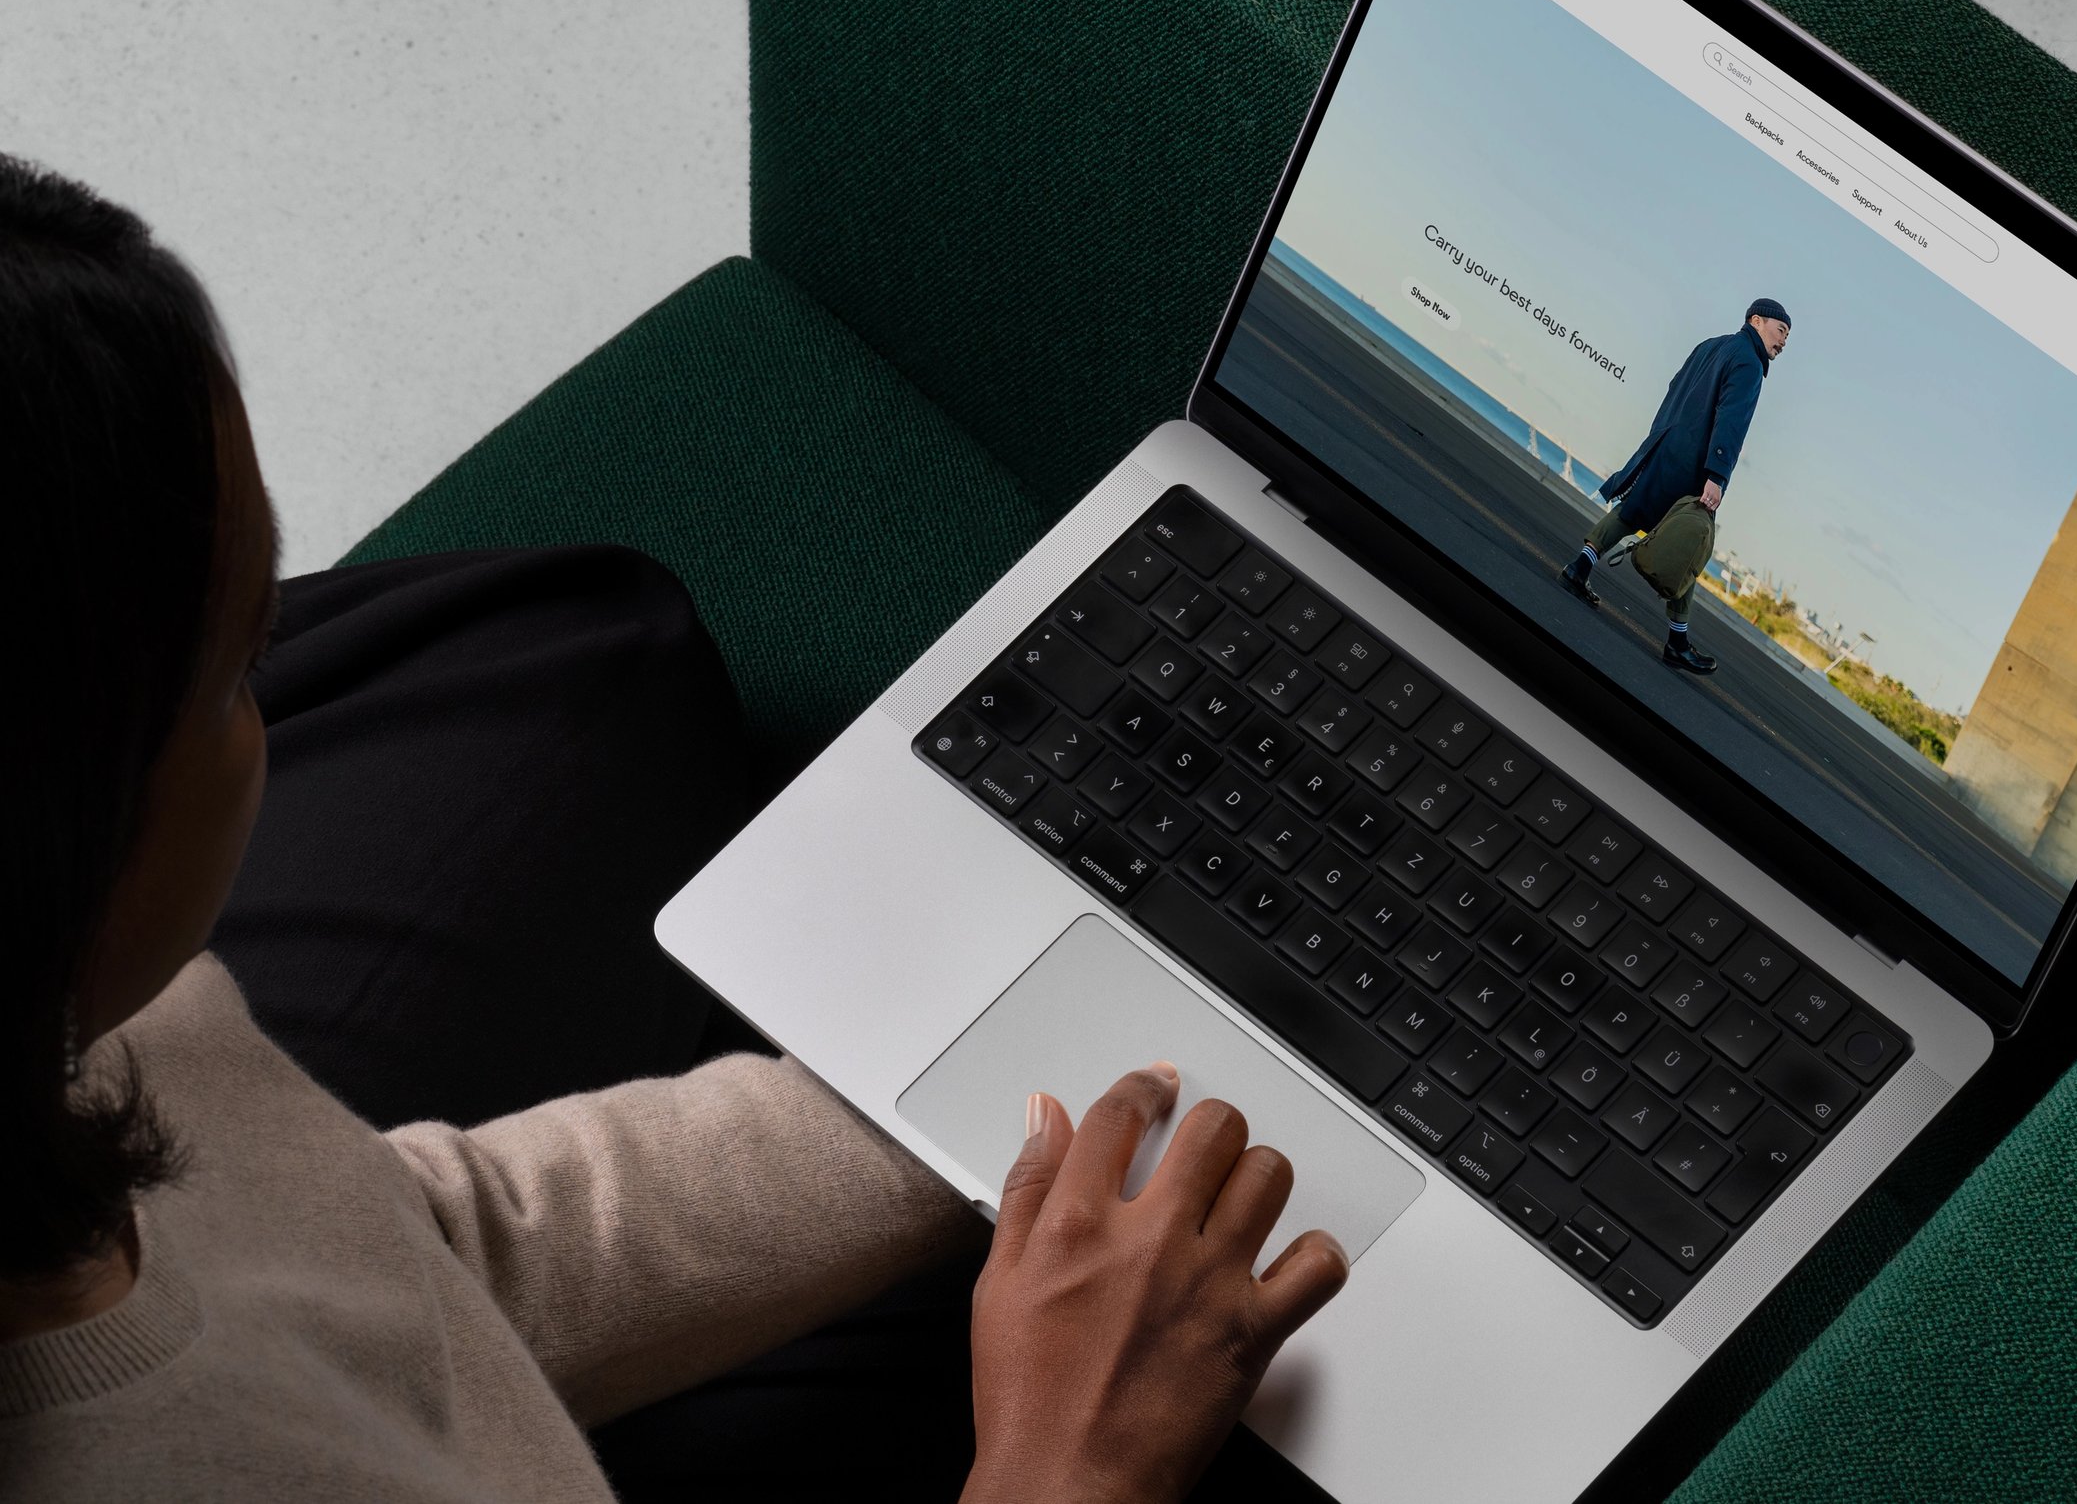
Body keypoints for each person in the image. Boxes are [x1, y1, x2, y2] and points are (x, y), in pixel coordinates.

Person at [0, 156, 1347, 1503]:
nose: (266, 696)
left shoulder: (116, 1040)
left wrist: (963, 1100)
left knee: (586, 644)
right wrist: (1071, 1465)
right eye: (242, 662)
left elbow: (395, 1260)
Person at [1560, 298, 1792, 674]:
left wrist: (1660, 434)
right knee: (1689, 546)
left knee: (1632, 510)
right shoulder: (1749, 362)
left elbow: (1674, 387)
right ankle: (1678, 643)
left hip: (1665, 443)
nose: (1783, 343)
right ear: (1757, 321)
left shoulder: (1711, 345)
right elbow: (1731, 420)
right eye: (1781, 331)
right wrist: (1716, 474)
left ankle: (1578, 569)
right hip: (1693, 462)